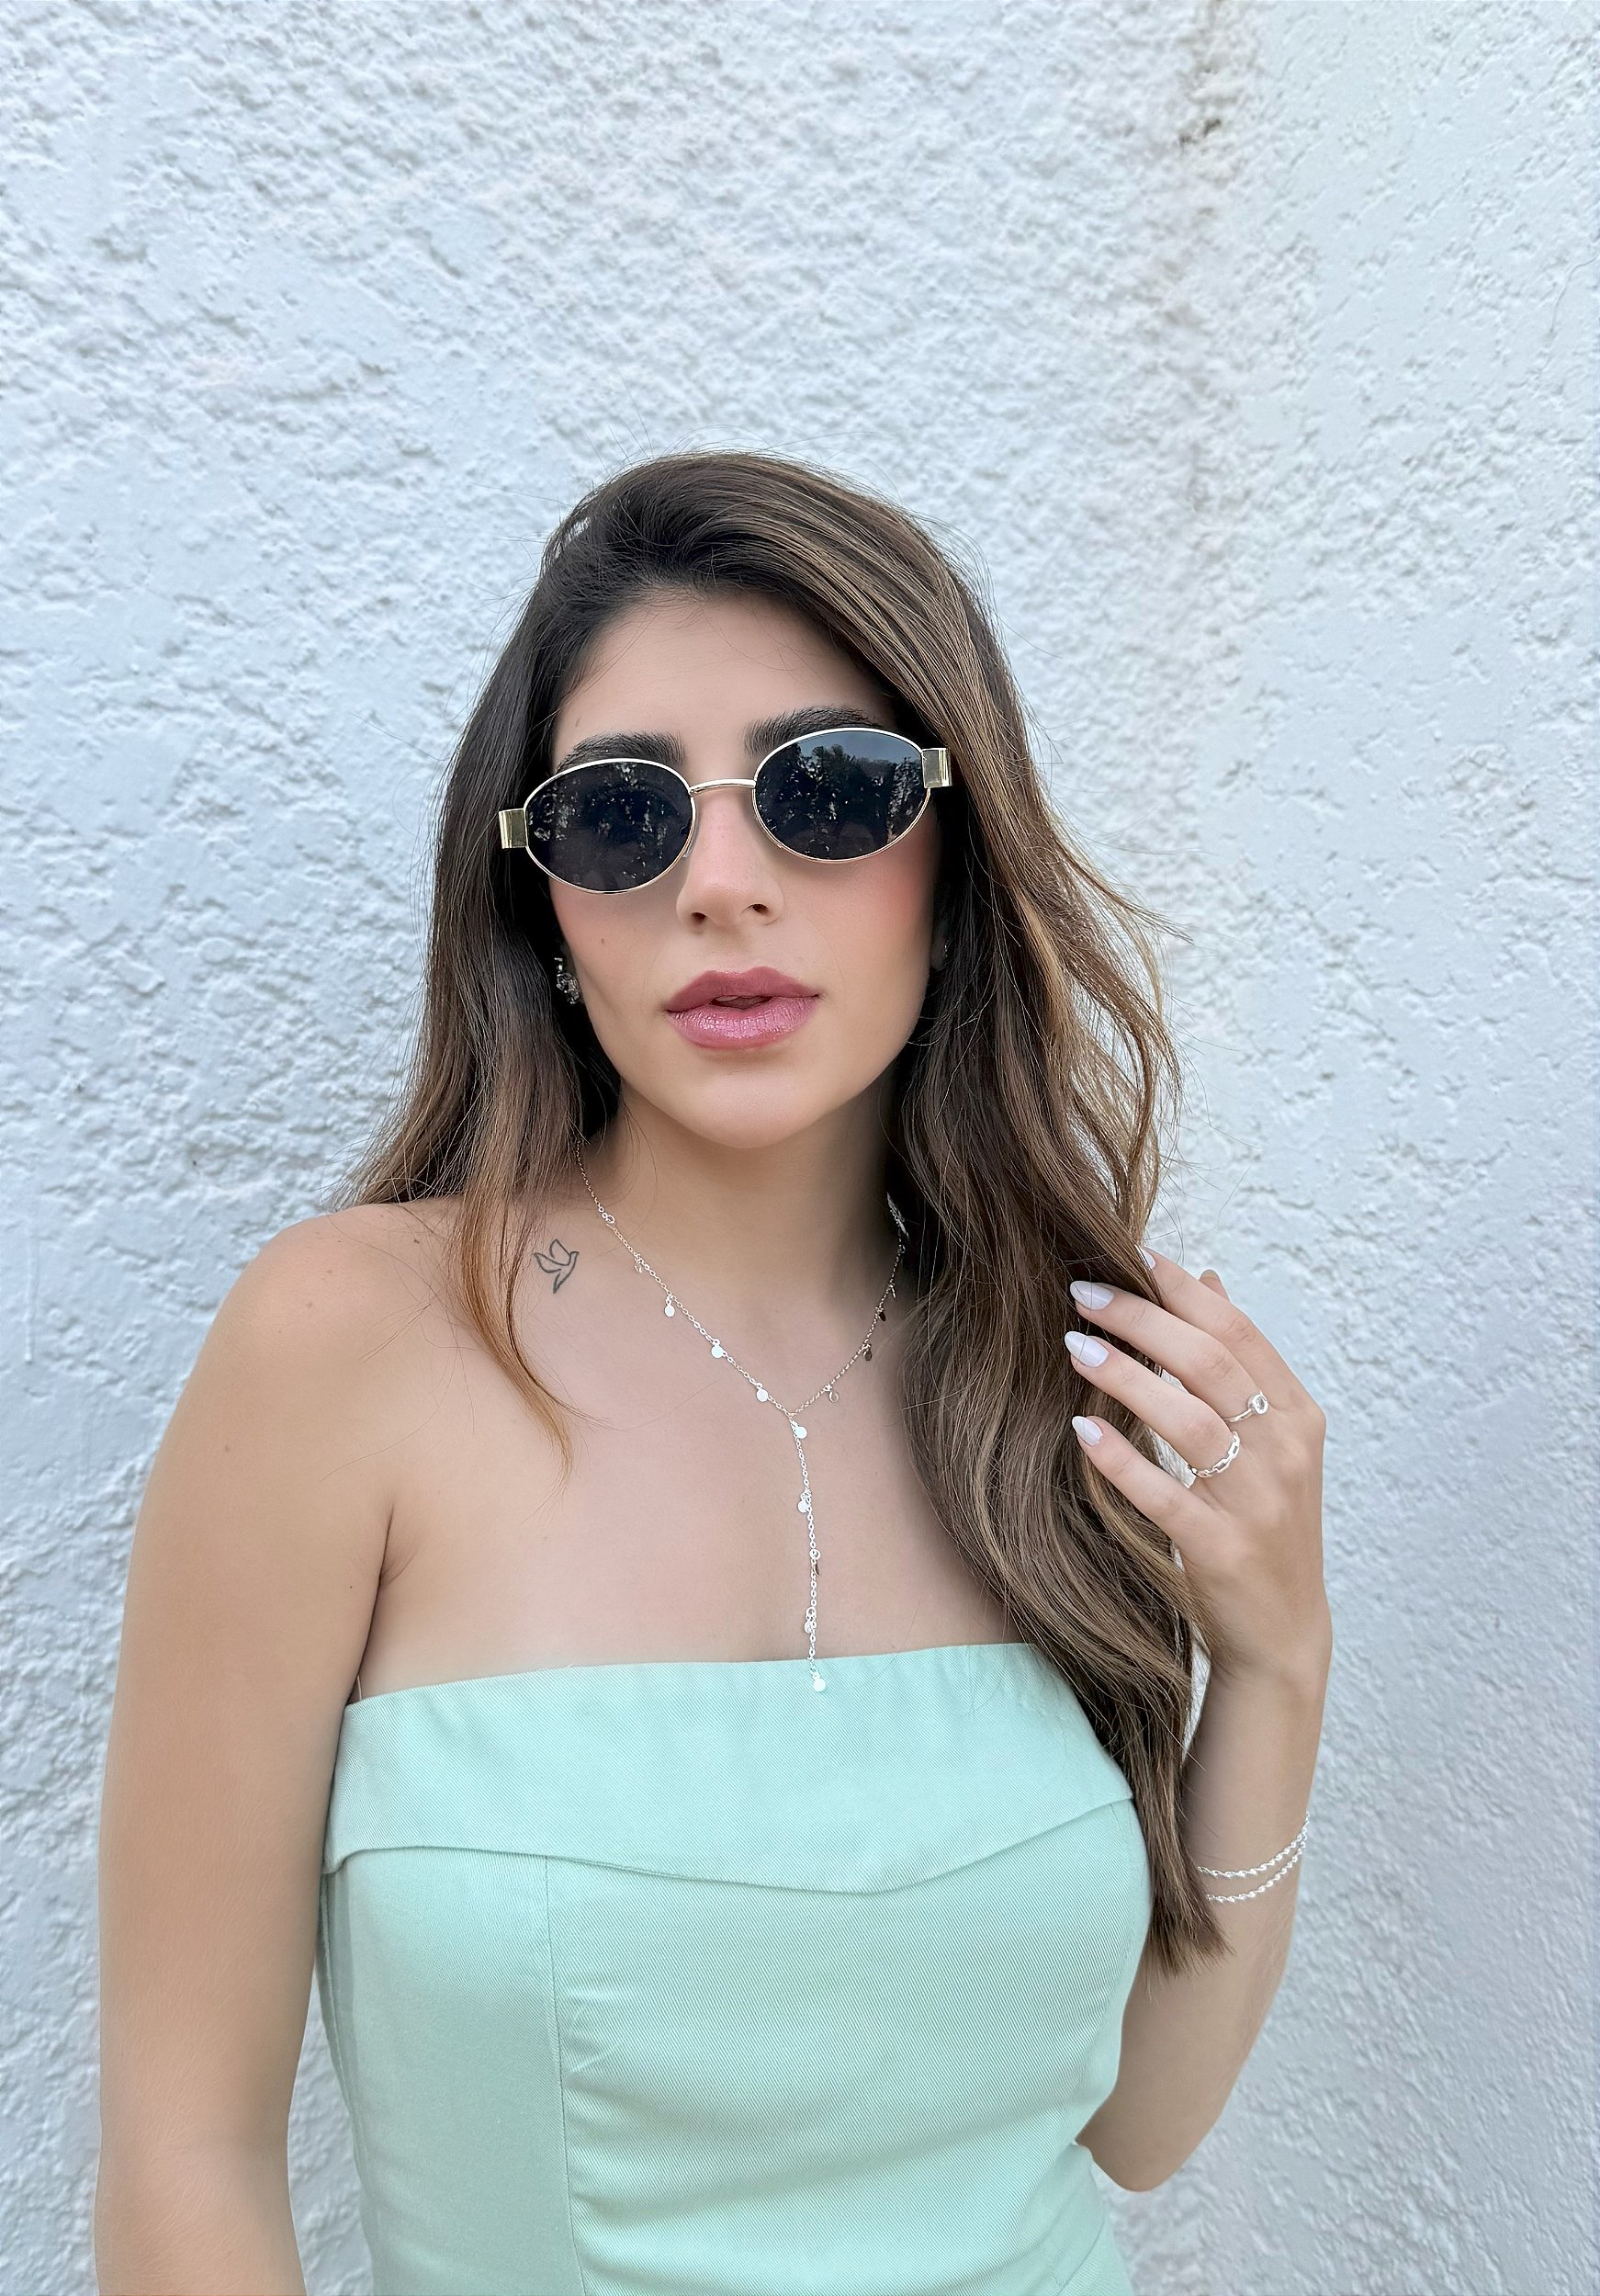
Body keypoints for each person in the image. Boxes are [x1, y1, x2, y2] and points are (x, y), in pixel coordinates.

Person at [94, 448, 1333, 2296]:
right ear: (539, 900)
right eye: (620, 816)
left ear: (954, 853)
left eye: (828, 791)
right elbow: (184, 2154)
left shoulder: (1058, 1373)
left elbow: (1136, 2123)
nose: (722, 883)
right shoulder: (351, 1346)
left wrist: (1279, 1658)